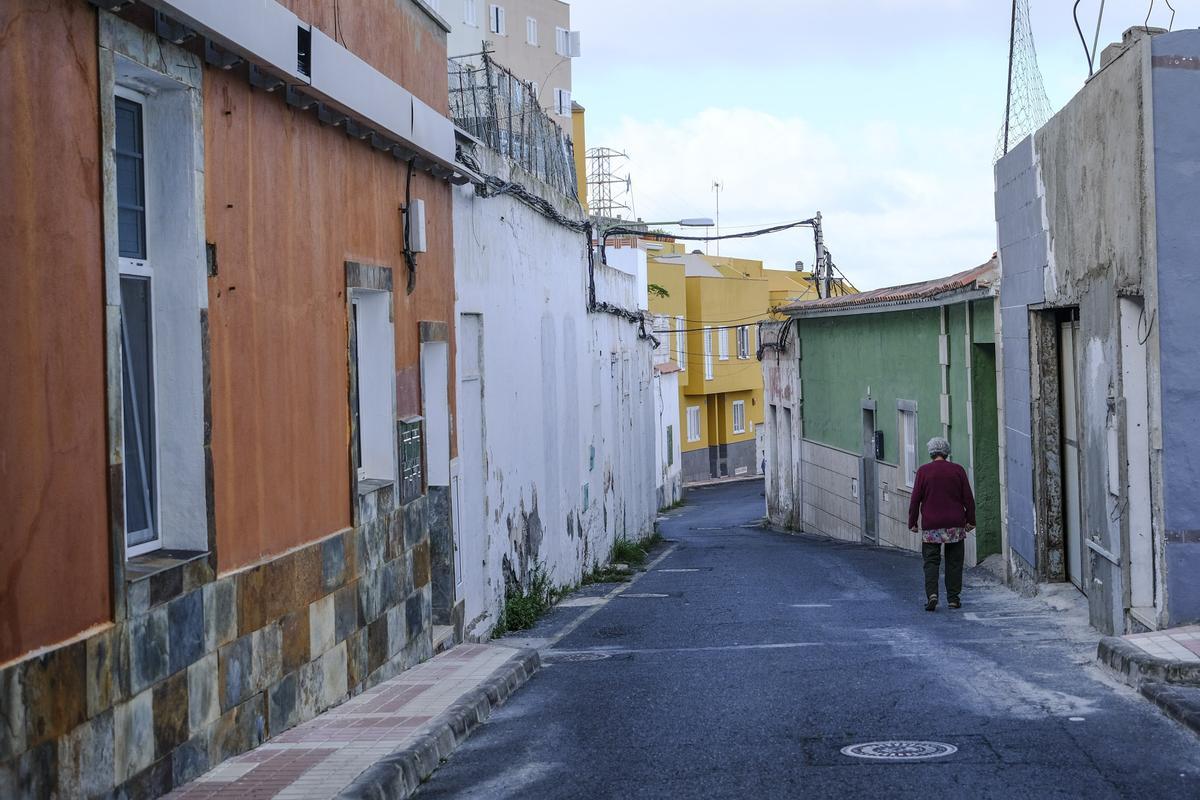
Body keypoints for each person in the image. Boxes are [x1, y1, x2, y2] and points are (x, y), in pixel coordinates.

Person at [908, 436, 975, 612]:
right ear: (946, 452)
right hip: (955, 524)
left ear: (931, 452)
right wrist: (971, 520)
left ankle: (932, 595)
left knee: (931, 561)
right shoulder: (957, 470)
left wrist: (913, 522)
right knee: (954, 562)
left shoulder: (923, 471)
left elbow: (915, 499)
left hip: (931, 525)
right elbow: (968, 498)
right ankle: (953, 599)